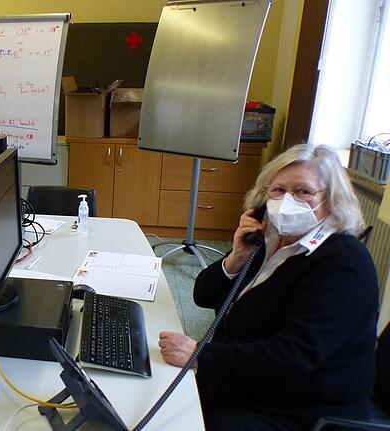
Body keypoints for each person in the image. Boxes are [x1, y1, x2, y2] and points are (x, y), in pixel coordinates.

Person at [158, 144, 378, 430]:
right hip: (244, 379)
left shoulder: (343, 263)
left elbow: (295, 354)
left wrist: (202, 355)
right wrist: (236, 258)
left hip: (296, 409)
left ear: (332, 200)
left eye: (303, 191)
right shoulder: (269, 239)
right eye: (278, 190)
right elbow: (202, 295)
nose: (288, 200)